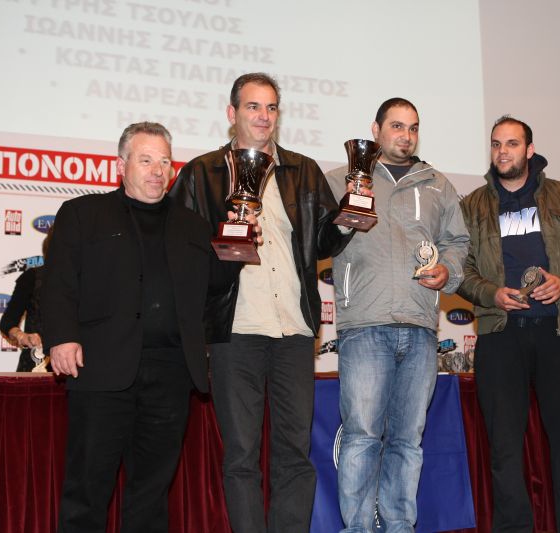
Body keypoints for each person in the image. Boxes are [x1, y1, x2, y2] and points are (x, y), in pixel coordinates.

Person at [169, 72, 353, 532]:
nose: (264, 116)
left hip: (294, 330)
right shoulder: (202, 173)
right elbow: (179, 249)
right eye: (253, 106)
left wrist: (353, 211)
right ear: (232, 113)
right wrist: (223, 236)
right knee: (241, 455)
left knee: (294, 453)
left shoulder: (303, 170)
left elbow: (325, 241)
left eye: (271, 107)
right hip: (235, 330)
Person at [42, 122, 240, 532]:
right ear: (121, 165)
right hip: (101, 369)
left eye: (164, 162)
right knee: (87, 490)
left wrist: (240, 234)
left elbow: (216, 283)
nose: (157, 170)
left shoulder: (193, 225)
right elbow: (58, 283)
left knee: (151, 495)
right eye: (146, 160)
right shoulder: (83, 214)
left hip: (170, 374)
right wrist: (62, 337)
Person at [326, 97, 469, 532]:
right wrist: (346, 214)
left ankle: (400, 526)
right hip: (364, 326)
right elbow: (320, 240)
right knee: (361, 438)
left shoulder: (439, 185)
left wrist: (448, 270)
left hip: (421, 328)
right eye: (397, 126)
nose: (406, 136)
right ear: (376, 130)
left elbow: (457, 242)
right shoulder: (340, 179)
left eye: (413, 127)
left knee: (408, 442)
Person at [457, 115, 560, 532]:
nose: (502, 151)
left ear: (530, 150)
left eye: (511, 143)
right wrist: (491, 293)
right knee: (504, 448)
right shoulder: (471, 206)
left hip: (559, 335)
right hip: (500, 336)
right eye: (496, 144)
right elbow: (459, 269)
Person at [0, 230, 52, 371]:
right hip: (36, 364)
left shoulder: (85, 280)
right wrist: (22, 336)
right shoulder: (32, 277)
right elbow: (7, 322)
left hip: (79, 366)